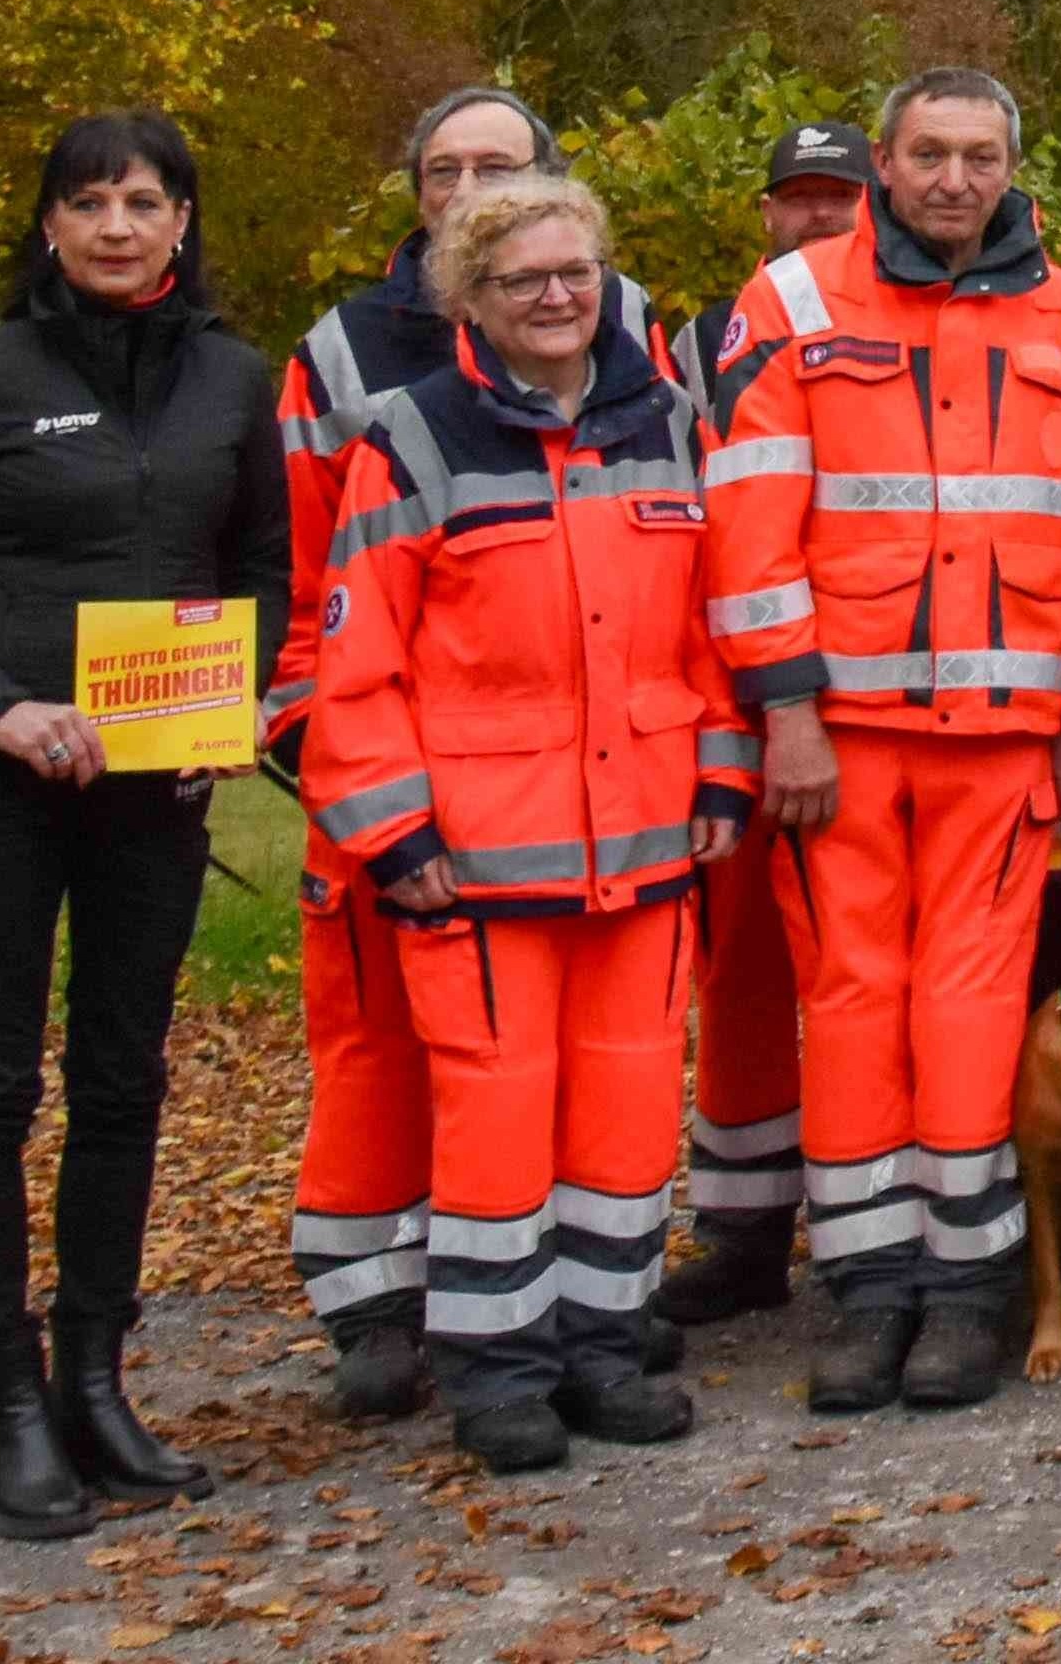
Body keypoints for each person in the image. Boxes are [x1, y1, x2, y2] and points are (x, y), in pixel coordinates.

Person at [0, 110, 280, 1537]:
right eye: (86, 200)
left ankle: (97, 1375)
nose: (114, 224)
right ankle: (9, 1399)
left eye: (142, 199)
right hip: (4, 784)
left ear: (180, 219)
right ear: (48, 222)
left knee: (124, 1078)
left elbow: (266, 568)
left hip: (158, 787)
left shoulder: (232, 377)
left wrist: (231, 705)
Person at [698, 69, 1061, 1412]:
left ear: (1013, 165)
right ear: (883, 164)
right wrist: (785, 709)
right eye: (930, 153)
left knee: (966, 1013)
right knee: (850, 1007)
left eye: (981, 154)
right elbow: (751, 526)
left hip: (1007, 737)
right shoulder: (788, 305)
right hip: (840, 734)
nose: (955, 178)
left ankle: (963, 1294)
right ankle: (868, 1290)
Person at [298, 171, 753, 1468]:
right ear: (470, 300)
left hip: (649, 852)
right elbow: (358, 666)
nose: (556, 296)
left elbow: (710, 630)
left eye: (575, 272)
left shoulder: (667, 419)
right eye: (522, 278)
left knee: (620, 1118)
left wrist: (720, 778)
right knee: (497, 1123)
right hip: (480, 865)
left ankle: (604, 1346)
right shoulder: (415, 437)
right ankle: (496, 1368)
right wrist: (397, 836)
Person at [270, 85, 635, 1420]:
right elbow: (306, 570)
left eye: (504, 162)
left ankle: (582, 1324)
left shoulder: (635, 348)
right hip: (413, 780)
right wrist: (345, 768)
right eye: (447, 165)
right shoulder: (352, 362)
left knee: (597, 1083)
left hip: (602, 810)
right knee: (385, 1053)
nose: (473, 180)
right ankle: (381, 1304)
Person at [653, 119, 872, 1333]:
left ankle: (871, 1234)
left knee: (861, 978)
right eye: (799, 200)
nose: (821, 218)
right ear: (766, 213)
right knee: (735, 979)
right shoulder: (690, 349)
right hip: (731, 704)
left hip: (882, 709)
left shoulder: (908, 320)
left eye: (841, 197)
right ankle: (741, 1232)